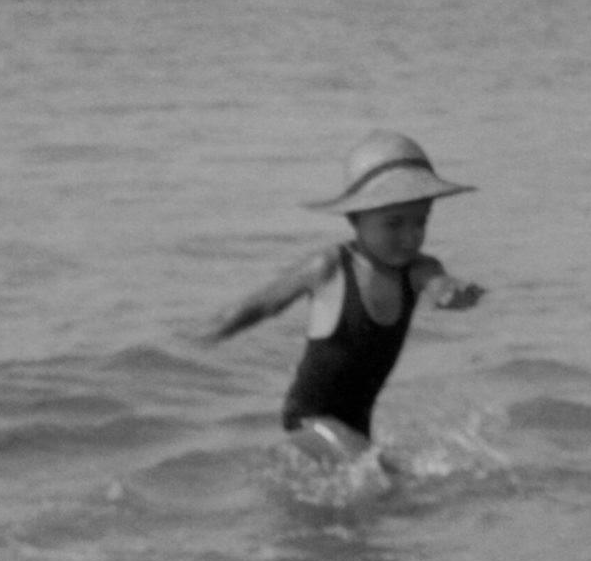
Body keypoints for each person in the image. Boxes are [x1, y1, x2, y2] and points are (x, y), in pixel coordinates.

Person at [207, 130, 484, 466]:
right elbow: (266, 303)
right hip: (309, 417)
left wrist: (450, 293)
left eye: (420, 222)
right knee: (371, 473)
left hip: (356, 427)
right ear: (354, 218)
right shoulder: (329, 268)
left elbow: (437, 283)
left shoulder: (417, 270)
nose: (410, 237)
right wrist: (213, 331)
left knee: (391, 478)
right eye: (394, 224)